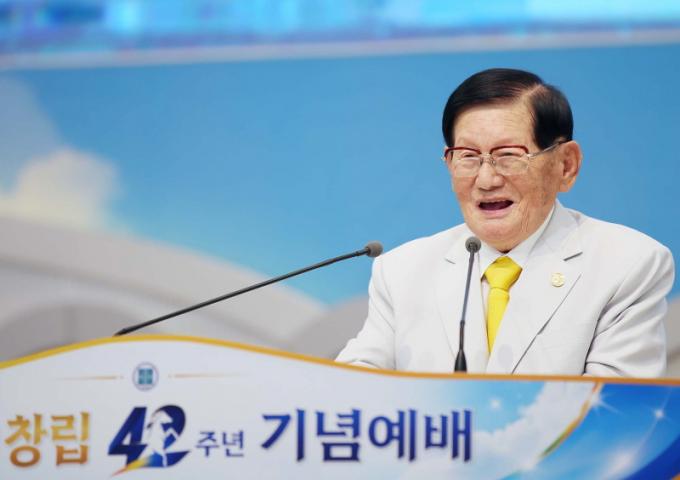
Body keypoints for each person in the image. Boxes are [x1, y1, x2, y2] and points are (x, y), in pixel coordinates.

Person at [336, 68, 674, 377]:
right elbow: (351, 389)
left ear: (566, 165)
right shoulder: (402, 271)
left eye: (508, 156)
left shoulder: (627, 264)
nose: (486, 180)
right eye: (468, 157)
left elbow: (613, 407)